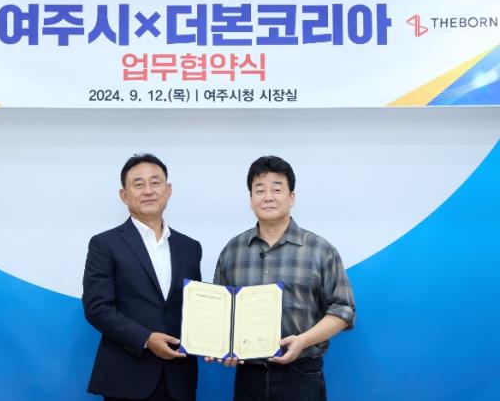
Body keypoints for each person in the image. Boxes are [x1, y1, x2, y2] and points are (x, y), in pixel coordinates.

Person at [212, 156, 355, 401]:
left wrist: (303, 340)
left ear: (292, 197)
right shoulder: (232, 251)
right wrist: (221, 346)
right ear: (250, 199)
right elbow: (220, 311)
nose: (268, 197)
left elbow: (343, 311)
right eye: (260, 190)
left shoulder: (320, 249)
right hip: (248, 376)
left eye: (277, 189)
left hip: (301, 375)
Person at [83, 153, 202, 401]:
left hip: (179, 379)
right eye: (138, 184)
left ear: (168, 190)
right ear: (124, 195)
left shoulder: (190, 247)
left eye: (155, 182)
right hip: (127, 377)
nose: (148, 191)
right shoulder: (105, 244)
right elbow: (97, 308)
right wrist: (146, 339)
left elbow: (196, 308)